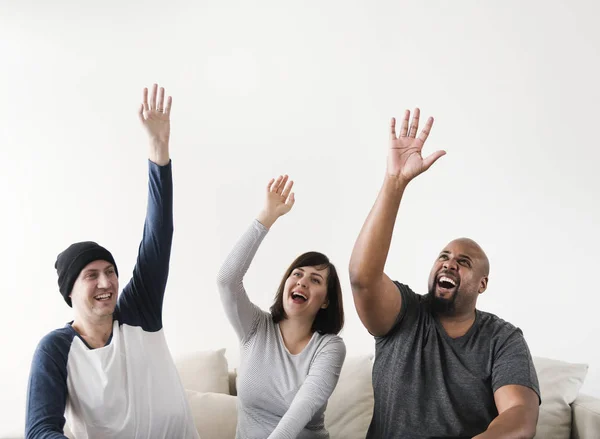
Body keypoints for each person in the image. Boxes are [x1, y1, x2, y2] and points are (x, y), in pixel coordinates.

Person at [349, 109, 541, 439]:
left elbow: (520, 417)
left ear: (482, 284)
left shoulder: (502, 339)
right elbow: (362, 278)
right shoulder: (404, 313)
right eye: (444, 256)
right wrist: (395, 183)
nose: (449, 263)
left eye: (464, 262)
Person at [25, 84, 199, 439]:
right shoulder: (56, 349)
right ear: (70, 291)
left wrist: (158, 152)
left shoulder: (140, 310)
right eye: (91, 275)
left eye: (110, 272)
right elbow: (40, 430)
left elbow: (158, 234)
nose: (106, 283)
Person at [217, 175, 346, 439]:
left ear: (326, 301)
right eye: (297, 274)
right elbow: (227, 280)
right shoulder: (254, 327)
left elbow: (303, 407)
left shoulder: (329, 347)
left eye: (315, 280)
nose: (302, 282)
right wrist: (266, 217)